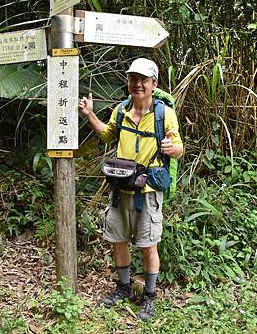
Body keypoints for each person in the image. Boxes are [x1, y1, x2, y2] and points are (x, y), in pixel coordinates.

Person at [78, 58, 183, 321]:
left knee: (149, 246)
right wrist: (90, 115)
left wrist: (173, 149)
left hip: (147, 191)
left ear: (153, 84)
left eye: (143, 80)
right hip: (120, 188)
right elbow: (107, 134)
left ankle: (149, 295)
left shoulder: (164, 114)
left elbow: (178, 147)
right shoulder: (121, 110)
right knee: (119, 240)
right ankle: (123, 288)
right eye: (133, 79)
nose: (137, 84)